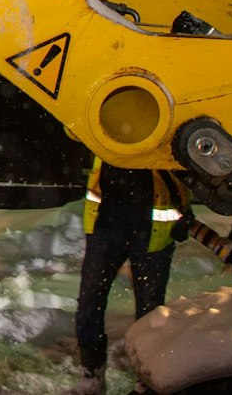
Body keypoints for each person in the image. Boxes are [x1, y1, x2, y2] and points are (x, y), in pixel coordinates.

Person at [73, 159, 192, 394]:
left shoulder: (158, 130)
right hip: (105, 227)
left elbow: (187, 169)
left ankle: (146, 380)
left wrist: (183, 212)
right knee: (89, 303)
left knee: (149, 313)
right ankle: (92, 375)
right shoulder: (105, 126)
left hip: (151, 234)